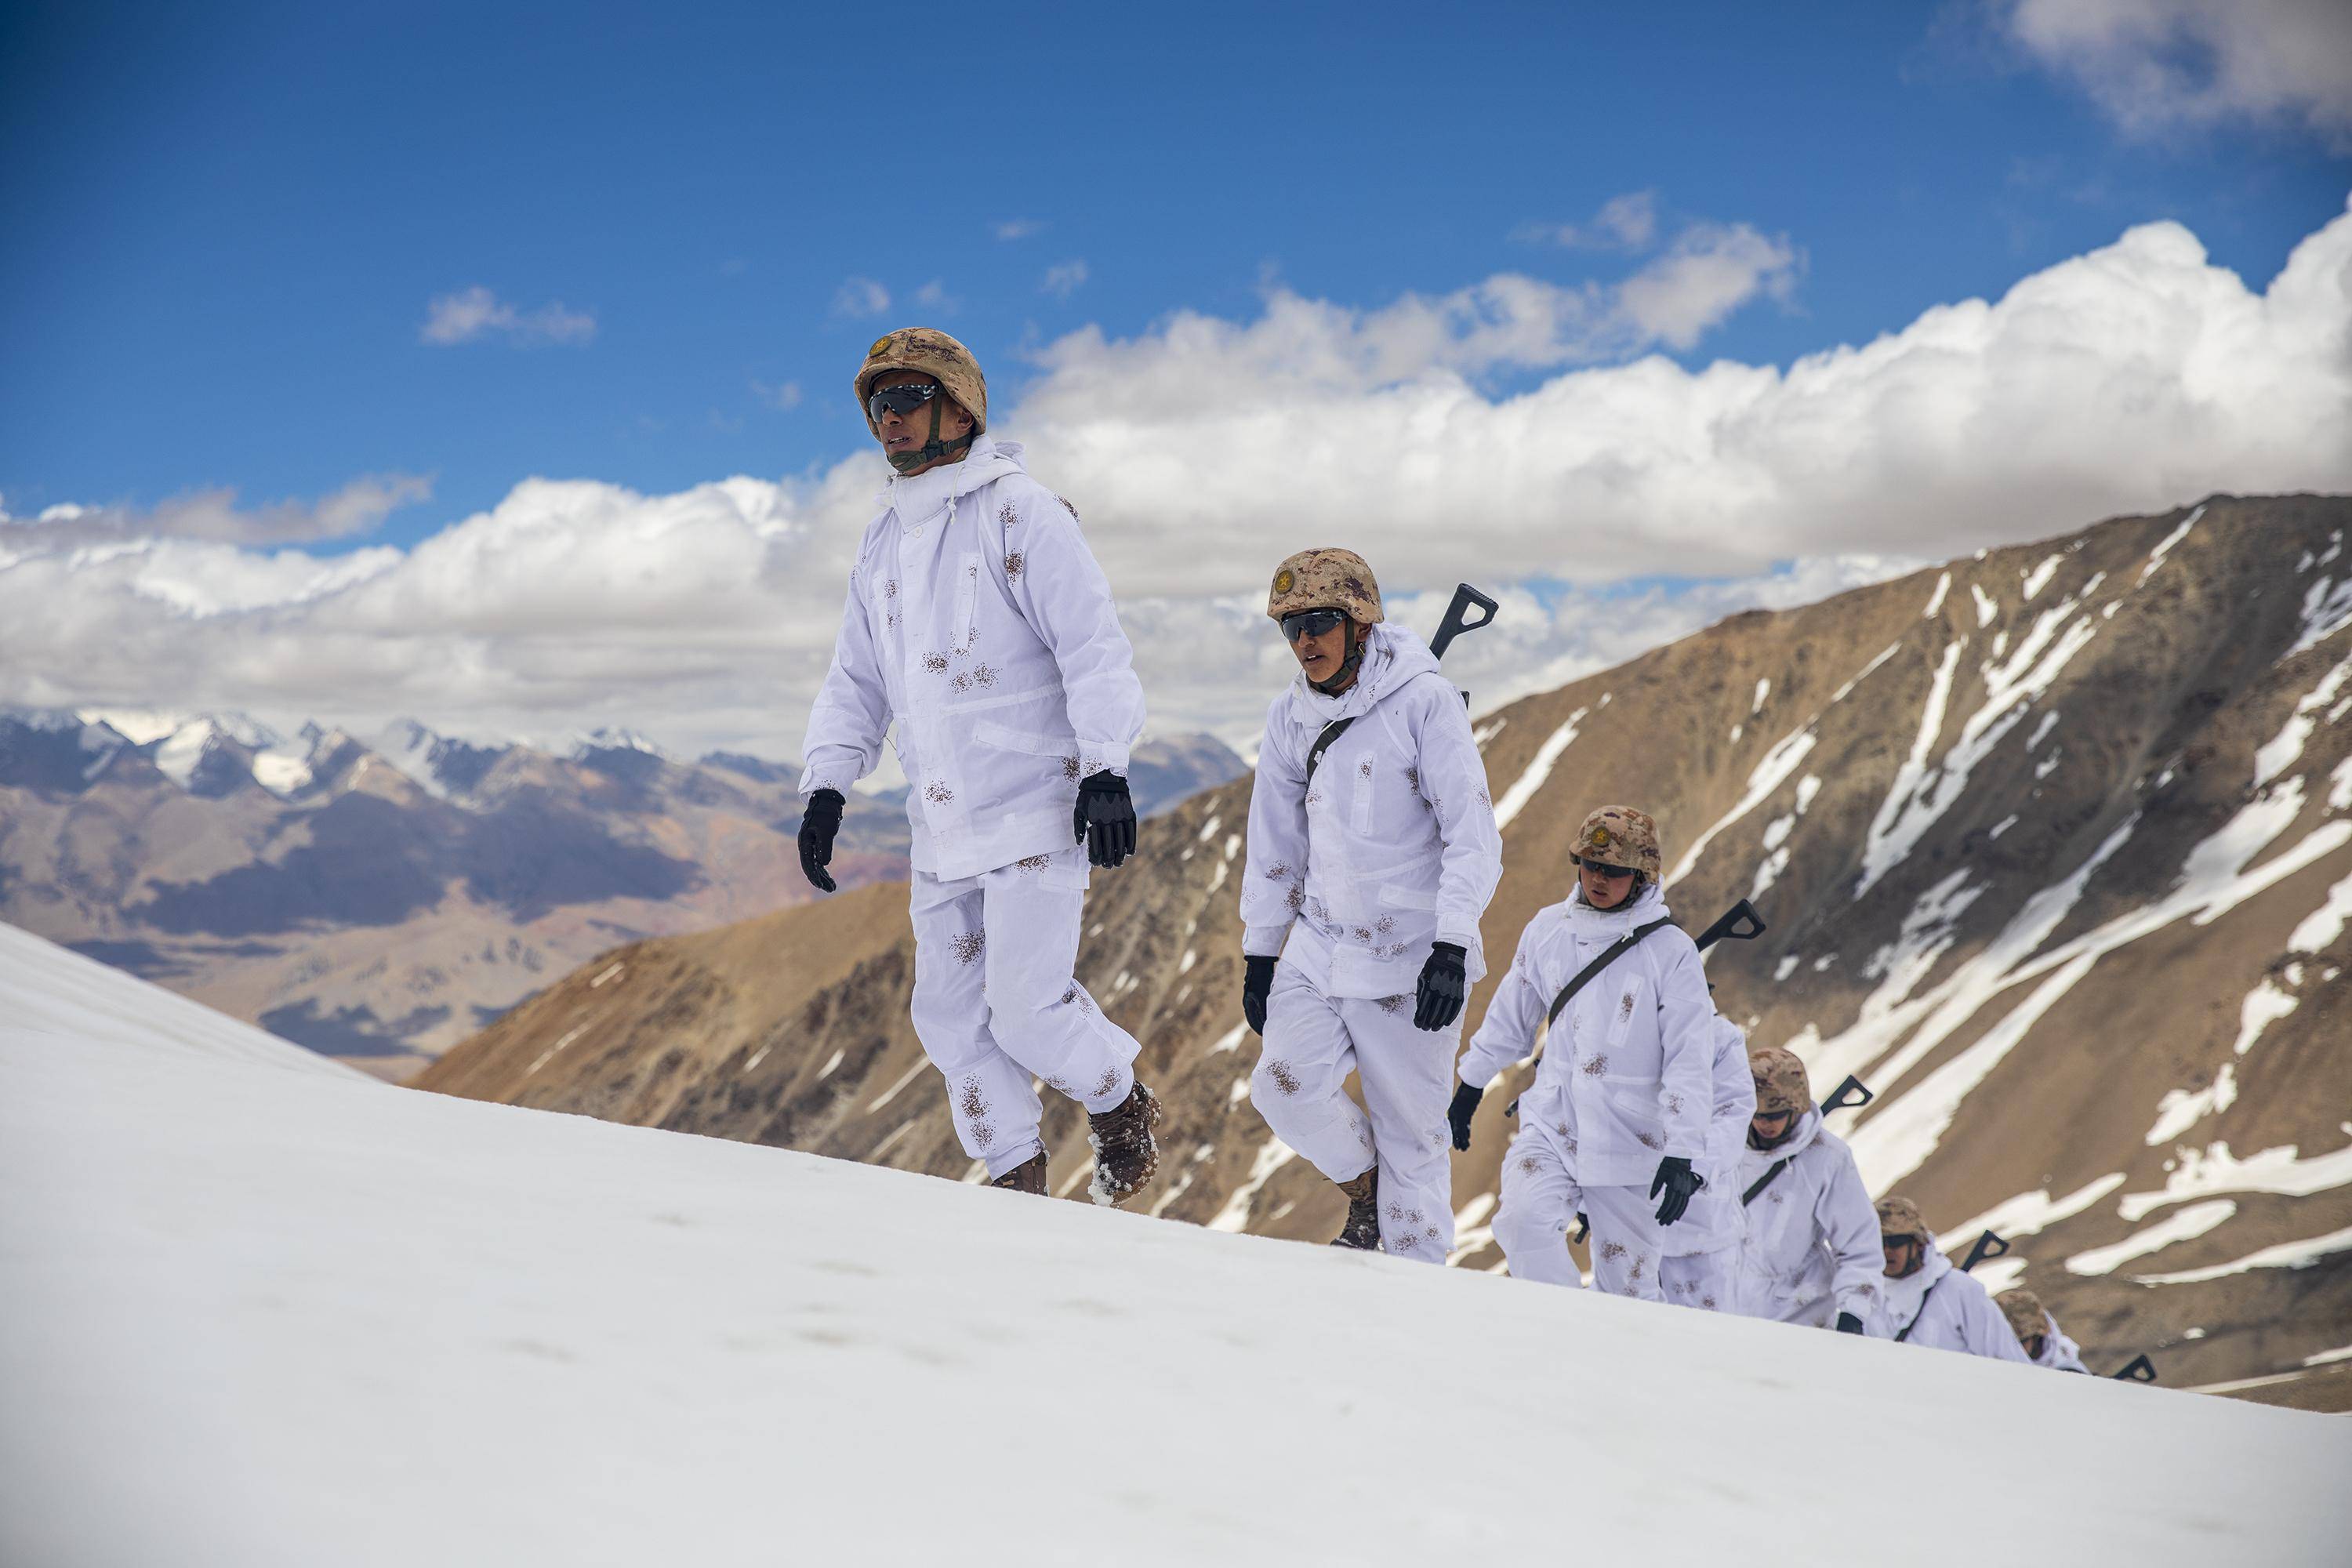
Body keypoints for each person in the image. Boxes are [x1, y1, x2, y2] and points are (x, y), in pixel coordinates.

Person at [796, 327, 1159, 1204]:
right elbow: (856, 678)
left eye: (910, 398)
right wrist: (827, 786)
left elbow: (1093, 644)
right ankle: (1014, 1175)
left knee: (1026, 1006)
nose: (891, 419)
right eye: (878, 404)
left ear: (960, 405)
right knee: (949, 1014)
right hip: (940, 820)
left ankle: (1117, 1097)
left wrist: (1106, 767)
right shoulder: (880, 543)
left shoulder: (1020, 512)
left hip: (1035, 803)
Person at [1238, 548, 1501, 1259]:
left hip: (1414, 961)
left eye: (1319, 623)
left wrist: (1452, 945)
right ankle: (1366, 1192)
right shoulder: (1290, 716)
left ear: (1359, 621)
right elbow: (1275, 841)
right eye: (1290, 629)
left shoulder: (1425, 702)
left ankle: (1412, 1296)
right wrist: (1262, 952)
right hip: (1320, 947)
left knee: (1415, 1143)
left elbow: (1472, 834)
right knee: (1283, 1088)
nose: (1304, 643)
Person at [1458, 807, 1718, 1299]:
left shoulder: (1672, 952)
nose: (1599, 877)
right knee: (1521, 1224)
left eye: (1615, 870)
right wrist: (1471, 1084)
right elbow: (1513, 1013)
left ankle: (1616, 1366)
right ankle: (1565, 1330)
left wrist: (1683, 1151)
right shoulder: (1547, 929)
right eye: (1589, 863)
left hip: (1633, 1143)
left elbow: (1689, 1058)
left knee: (1631, 1291)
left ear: (1642, 876)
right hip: (1554, 1123)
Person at [1730, 1045, 1884, 1333]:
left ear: (1796, 1105)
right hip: (1717, 1313)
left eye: (1775, 1114)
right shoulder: (1720, 1146)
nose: (1764, 1123)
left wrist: (1854, 1310)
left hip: (1798, 1319)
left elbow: (1859, 1244)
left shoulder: (1828, 1157)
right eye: (1757, 1113)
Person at [1657, 1013, 1756, 1312]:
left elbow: (1733, 1111)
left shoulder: (1718, 1036)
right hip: (1625, 1222)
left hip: (1703, 1234)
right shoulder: (1624, 1021)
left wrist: (1696, 1169)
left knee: (1705, 1344)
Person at [1875, 1196, 2032, 1361]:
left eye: (1895, 1242)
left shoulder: (1960, 1291)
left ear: (1919, 1243)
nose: (1886, 1250)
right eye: (1879, 1242)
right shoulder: (1864, 1294)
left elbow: (2011, 1364)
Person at [1997, 1287, 2090, 1372]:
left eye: (2021, 1342)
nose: (2013, 1348)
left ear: (2037, 1337)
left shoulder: (2068, 1373)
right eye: (2006, 1342)